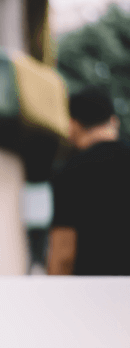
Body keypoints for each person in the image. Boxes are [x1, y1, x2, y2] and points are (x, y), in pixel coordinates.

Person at [47, 86, 130, 275]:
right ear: (113, 121)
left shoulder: (69, 172)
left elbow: (64, 253)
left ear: (73, 125)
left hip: (91, 292)